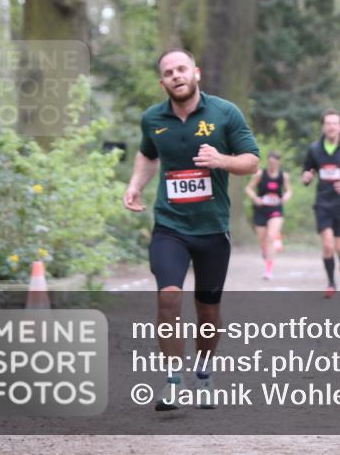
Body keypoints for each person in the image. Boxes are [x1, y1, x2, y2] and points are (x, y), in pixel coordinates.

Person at [123, 48, 260, 410]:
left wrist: (221, 160)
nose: (176, 76)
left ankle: (204, 371)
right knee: (168, 298)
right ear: (162, 82)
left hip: (212, 228)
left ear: (195, 73)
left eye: (181, 69)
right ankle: (173, 380)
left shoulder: (225, 113)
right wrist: (135, 185)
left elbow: (252, 162)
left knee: (208, 310)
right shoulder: (153, 118)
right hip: (170, 225)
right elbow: (148, 154)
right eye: (169, 72)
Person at [301, 109, 340, 298]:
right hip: (323, 203)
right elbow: (307, 171)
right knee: (327, 245)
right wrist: (307, 177)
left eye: (335, 123)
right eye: (328, 123)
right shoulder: (314, 149)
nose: (331, 127)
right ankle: (331, 283)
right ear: (323, 126)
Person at [245, 152, 292, 279]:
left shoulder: (283, 176)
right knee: (263, 240)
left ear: (278, 163)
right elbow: (248, 188)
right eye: (270, 163)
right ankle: (265, 249)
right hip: (261, 210)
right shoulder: (260, 174)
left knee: (271, 237)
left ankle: (268, 270)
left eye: (274, 163)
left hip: (276, 209)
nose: (272, 165)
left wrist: (286, 197)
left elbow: (288, 191)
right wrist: (255, 198)